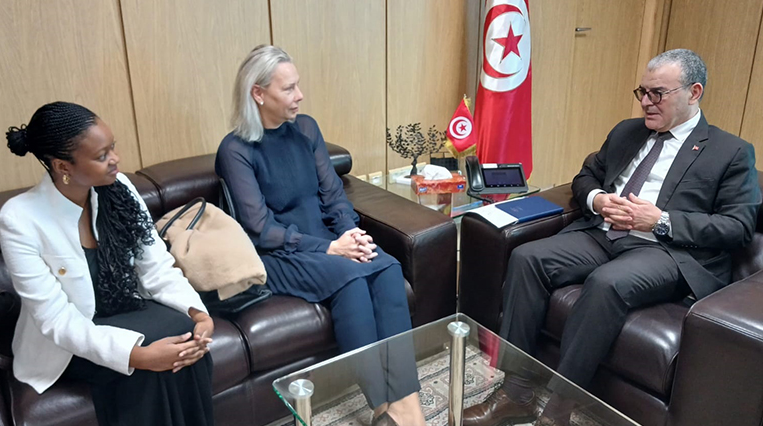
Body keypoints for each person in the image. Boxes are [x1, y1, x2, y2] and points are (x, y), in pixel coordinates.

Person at [463, 49, 761, 426]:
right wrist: (598, 199)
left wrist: (661, 220)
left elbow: (738, 226)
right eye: (642, 92)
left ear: (694, 92)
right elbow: (586, 176)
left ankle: (558, 410)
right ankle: (516, 392)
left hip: (665, 249)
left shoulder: (730, 152)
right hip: (602, 234)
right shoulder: (626, 132)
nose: (646, 102)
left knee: (607, 283)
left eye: (658, 94)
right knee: (527, 258)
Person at [215, 45, 426, 426]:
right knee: (350, 278)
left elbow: (333, 196)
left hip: (329, 239)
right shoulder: (235, 150)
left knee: (388, 267)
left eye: (298, 85)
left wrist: (351, 233)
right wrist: (330, 247)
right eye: (288, 89)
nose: (299, 95)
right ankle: (382, 408)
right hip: (279, 254)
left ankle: (408, 406)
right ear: (258, 94)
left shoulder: (307, 129)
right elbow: (261, 228)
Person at [0, 102, 215, 426]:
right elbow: (57, 320)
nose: (116, 159)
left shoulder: (120, 188)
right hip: (68, 341)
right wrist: (138, 356)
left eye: (112, 147)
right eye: (102, 156)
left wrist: (199, 314)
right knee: (142, 369)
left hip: (122, 306)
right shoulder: (18, 219)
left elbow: (156, 266)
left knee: (186, 337)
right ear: (62, 166)